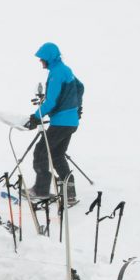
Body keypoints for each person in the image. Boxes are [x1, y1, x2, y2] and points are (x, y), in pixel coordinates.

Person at [23, 42, 84, 203]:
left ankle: (41, 191)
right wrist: (77, 107)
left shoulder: (56, 73)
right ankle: (69, 194)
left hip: (61, 122)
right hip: (71, 122)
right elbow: (80, 87)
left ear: (49, 58)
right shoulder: (66, 70)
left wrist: (36, 117)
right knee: (57, 155)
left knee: (41, 152)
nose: (40, 61)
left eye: (42, 58)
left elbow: (51, 102)